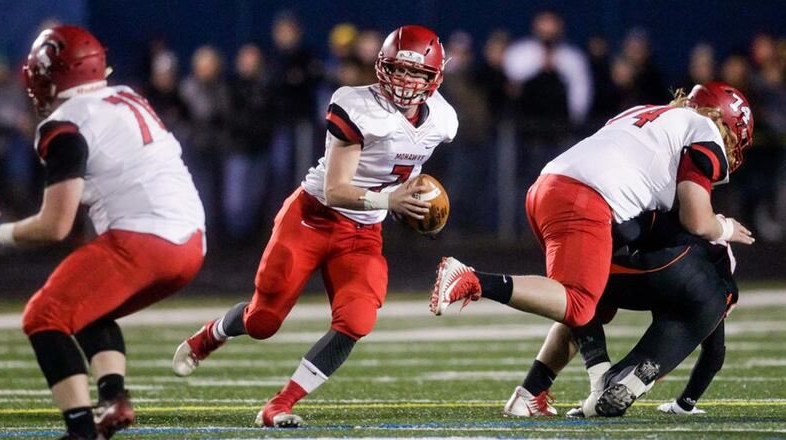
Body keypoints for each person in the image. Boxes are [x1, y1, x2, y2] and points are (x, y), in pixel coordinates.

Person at [172, 25, 457, 428]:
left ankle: (279, 404)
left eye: (418, 74)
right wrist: (391, 199)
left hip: (362, 233)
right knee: (262, 322)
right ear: (381, 67)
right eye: (399, 70)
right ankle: (212, 335)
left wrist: (413, 202)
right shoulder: (355, 104)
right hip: (313, 217)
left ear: (435, 78)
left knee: (357, 319)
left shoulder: (444, 120)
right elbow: (337, 188)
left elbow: (409, 163)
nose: (407, 82)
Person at [431, 82, 755, 368]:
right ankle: (473, 280)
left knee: (594, 303)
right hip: (587, 197)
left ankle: (532, 393)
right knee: (578, 302)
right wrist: (724, 228)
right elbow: (697, 220)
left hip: (550, 184)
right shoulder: (705, 131)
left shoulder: (648, 112)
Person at [0, 26, 205, 439]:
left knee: (44, 316)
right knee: (88, 304)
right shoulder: (126, 96)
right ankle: (113, 399)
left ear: (52, 73)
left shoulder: (65, 123)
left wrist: (0, 234)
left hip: (144, 241)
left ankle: (80, 430)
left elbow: (55, 225)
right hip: (192, 241)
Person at [502, 211, 736, 418]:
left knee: (577, 292)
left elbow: (630, 229)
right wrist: (686, 403)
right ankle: (628, 385)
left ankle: (537, 391)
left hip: (672, 268)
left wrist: (591, 258)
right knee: (644, 365)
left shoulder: (668, 209)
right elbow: (715, 354)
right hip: (715, 297)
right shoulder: (720, 249)